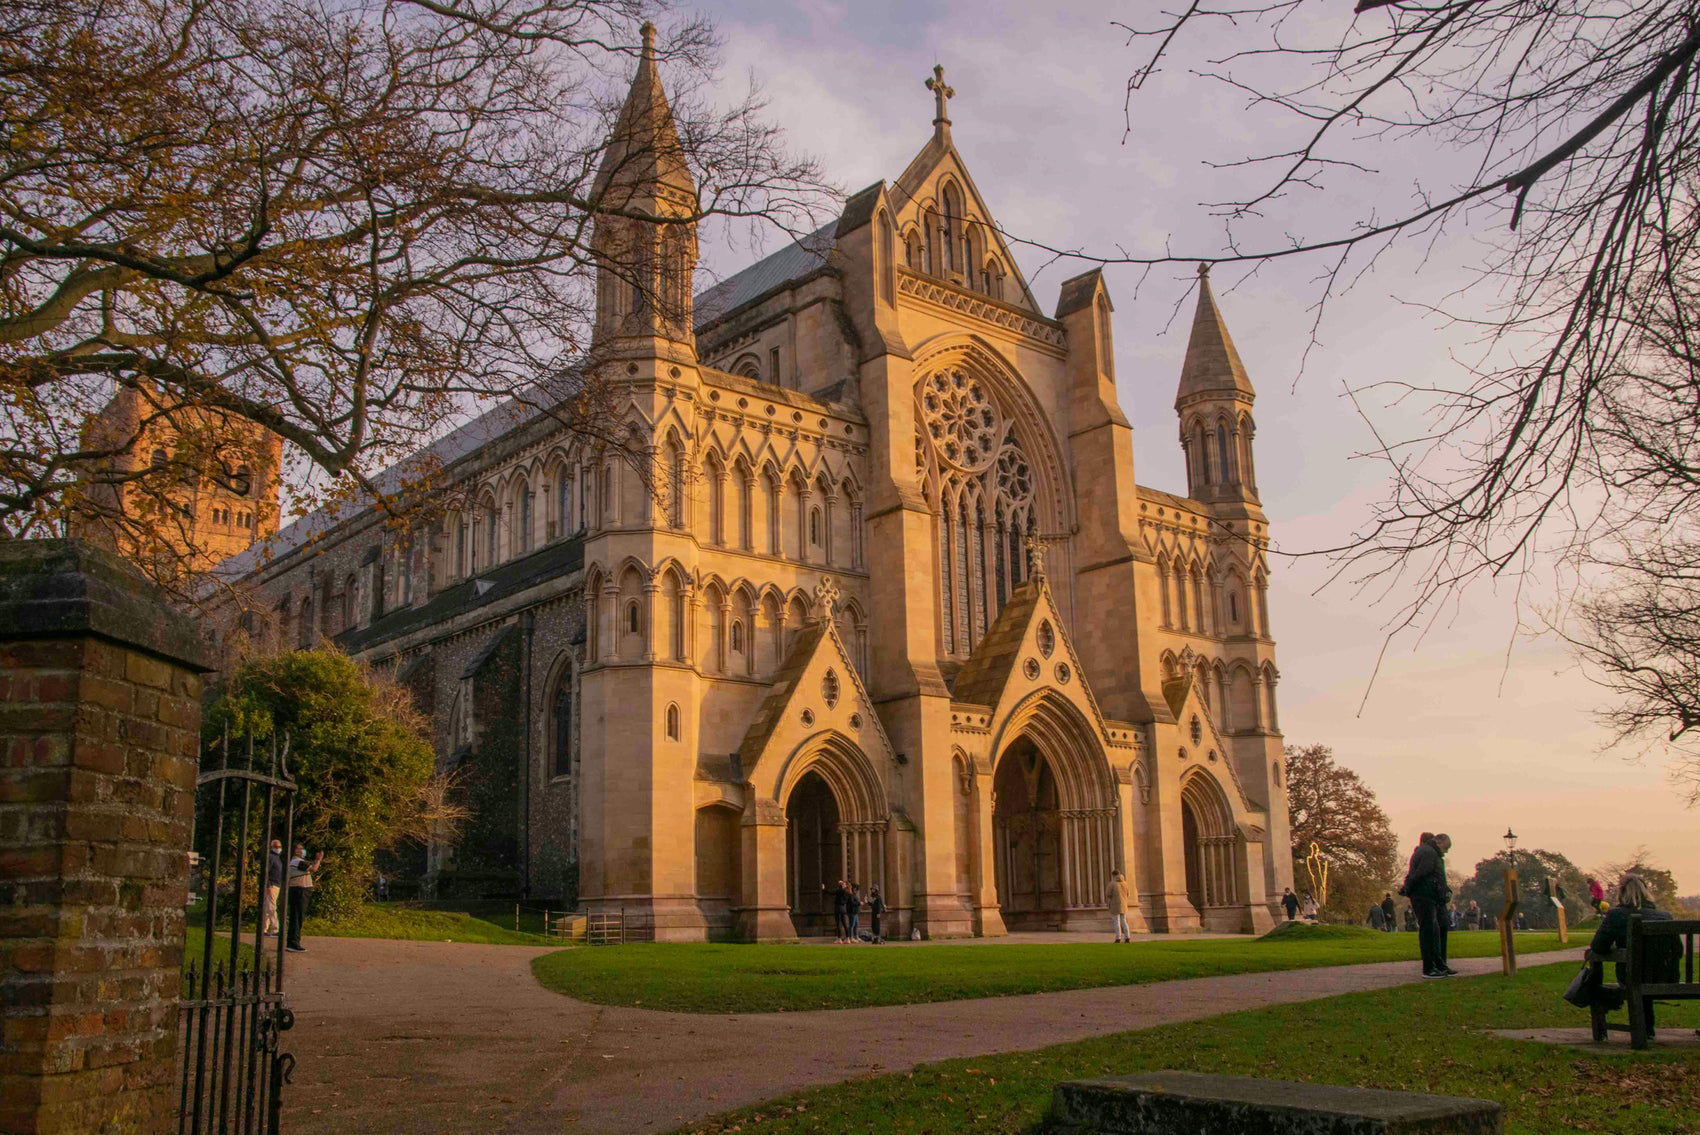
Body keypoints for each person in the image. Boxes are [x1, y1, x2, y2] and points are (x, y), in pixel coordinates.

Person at [1586, 874, 1680, 1037]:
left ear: (1622, 893)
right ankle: (1647, 1030)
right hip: (1665, 978)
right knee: (1644, 974)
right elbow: (1678, 950)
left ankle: (1638, 1032)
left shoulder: (1616, 915)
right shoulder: (1664, 916)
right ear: (1646, 893)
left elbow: (1598, 947)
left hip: (1632, 978)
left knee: (1635, 975)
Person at [1402, 832, 1457, 977]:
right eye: (1446, 848)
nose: (1445, 851)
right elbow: (1420, 874)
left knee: (1433, 930)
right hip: (1425, 896)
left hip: (1429, 897)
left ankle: (1437, 965)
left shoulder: (1429, 852)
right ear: (1440, 843)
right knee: (1428, 930)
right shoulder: (1430, 853)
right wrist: (1409, 887)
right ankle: (1429, 968)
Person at [285, 843, 322, 953]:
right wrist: (318, 859)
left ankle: (293, 942)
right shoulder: (298, 861)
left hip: (299, 891)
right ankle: (293, 943)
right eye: (300, 849)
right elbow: (314, 869)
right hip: (299, 891)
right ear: (295, 851)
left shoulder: (296, 862)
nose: (303, 850)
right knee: (297, 918)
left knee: (296, 917)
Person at [262, 839, 283, 937]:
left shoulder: (277, 858)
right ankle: (275, 929)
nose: (278, 849)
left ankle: (264, 929)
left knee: (267, 908)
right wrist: (268, 885)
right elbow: (266, 872)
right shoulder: (271, 857)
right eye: (276, 847)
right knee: (271, 907)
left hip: (276, 885)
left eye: (279, 847)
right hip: (272, 885)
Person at [1106, 871, 1133, 941]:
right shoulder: (1125, 884)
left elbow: (1108, 894)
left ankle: (1118, 937)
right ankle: (1127, 937)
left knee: (1116, 921)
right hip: (1124, 904)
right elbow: (1128, 894)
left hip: (1115, 904)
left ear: (1113, 875)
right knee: (1124, 921)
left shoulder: (1112, 884)